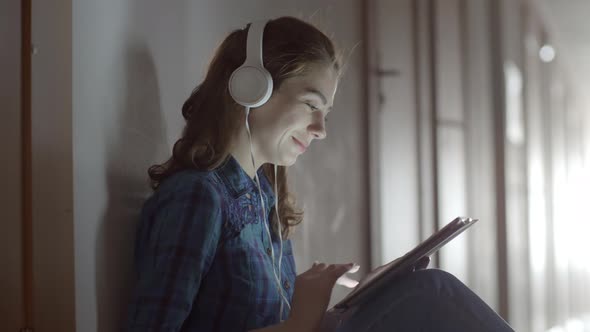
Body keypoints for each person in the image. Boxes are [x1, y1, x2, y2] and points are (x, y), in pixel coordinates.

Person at [126, 16, 514, 332]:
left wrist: (355, 295)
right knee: (432, 293)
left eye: (324, 113)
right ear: (251, 89)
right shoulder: (198, 197)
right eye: (311, 105)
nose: (320, 129)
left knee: (421, 292)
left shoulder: (262, 195)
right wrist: (300, 321)